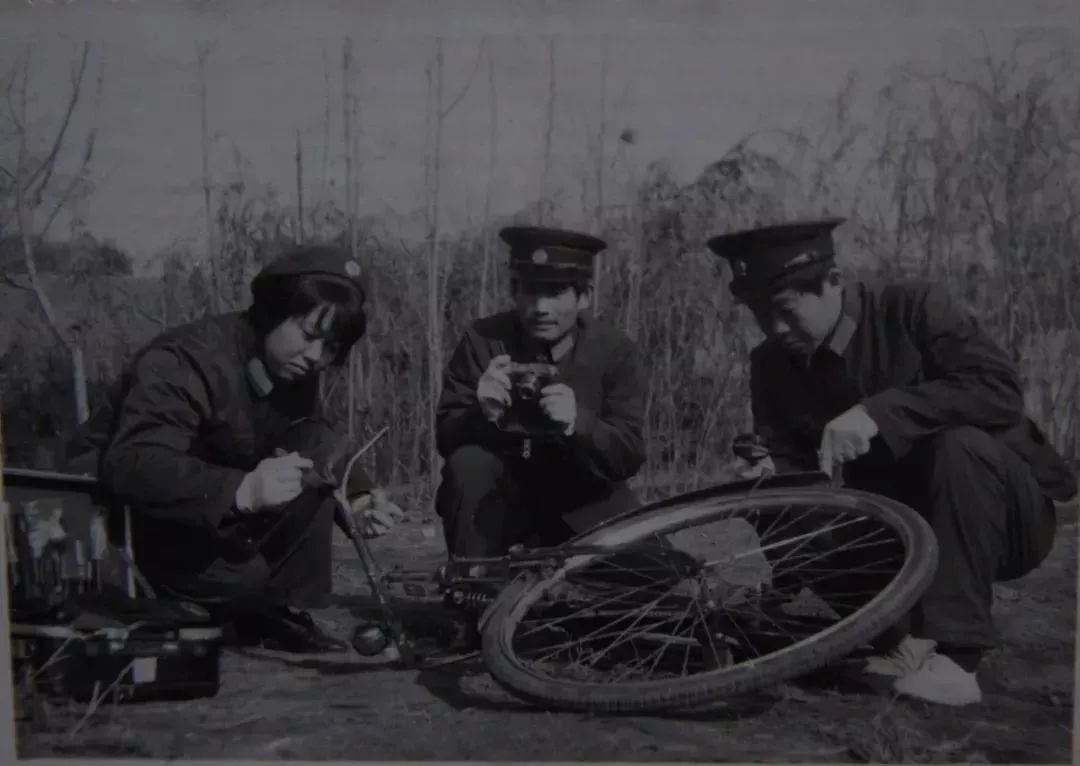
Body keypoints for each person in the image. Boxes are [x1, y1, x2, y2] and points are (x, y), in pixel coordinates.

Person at [706, 218, 1077, 706]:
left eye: (786, 311)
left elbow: (998, 391)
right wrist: (768, 473)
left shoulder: (914, 307)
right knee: (774, 489)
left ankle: (958, 658)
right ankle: (896, 639)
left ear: (834, 281)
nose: (775, 330)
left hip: (1002, 515)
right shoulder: (770, 363)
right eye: (760, 315)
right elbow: (790, 462)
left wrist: (877, 413)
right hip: (894, 527)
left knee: (956, 446)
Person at [95, 244, 404, 653]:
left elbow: (312, 438)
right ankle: (224, 607)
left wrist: (359, 500)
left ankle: (275, 611)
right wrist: (243, 490)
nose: (316, 356)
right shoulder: (186, 360)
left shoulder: (291, 365)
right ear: (272, 311)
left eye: (330, 347)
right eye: (309, 335)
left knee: (309, 466)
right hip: (140, 523)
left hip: (212, 517)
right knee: (246, 580)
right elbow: (134, 464)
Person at [434, 226, 647, 558]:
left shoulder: (614, 350)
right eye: (530, 291)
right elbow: (446, 438)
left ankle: (564, 574)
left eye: (556, 292)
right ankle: (474, 580)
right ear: (514, 291)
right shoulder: (483, 340)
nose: (541, 307)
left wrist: (578, 423)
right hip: (498, 506)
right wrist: (481, 414)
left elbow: (628, 455)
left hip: (584, 502)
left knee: (659, 574)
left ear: (584, 297)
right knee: (468, 464)